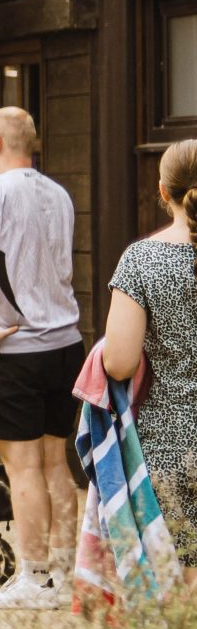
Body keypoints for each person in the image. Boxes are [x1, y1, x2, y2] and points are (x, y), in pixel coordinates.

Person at [0, 106, 85, 610]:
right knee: (57, 462)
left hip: (16, 348)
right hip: (66, 344)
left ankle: (33, 579)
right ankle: (66, 575)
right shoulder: (60, 193)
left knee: (23, 467)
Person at [98, 138, 197, 560]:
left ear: (163, 192)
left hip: (168, 444)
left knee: (183, 572)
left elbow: (118, 364)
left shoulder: (141, 260)